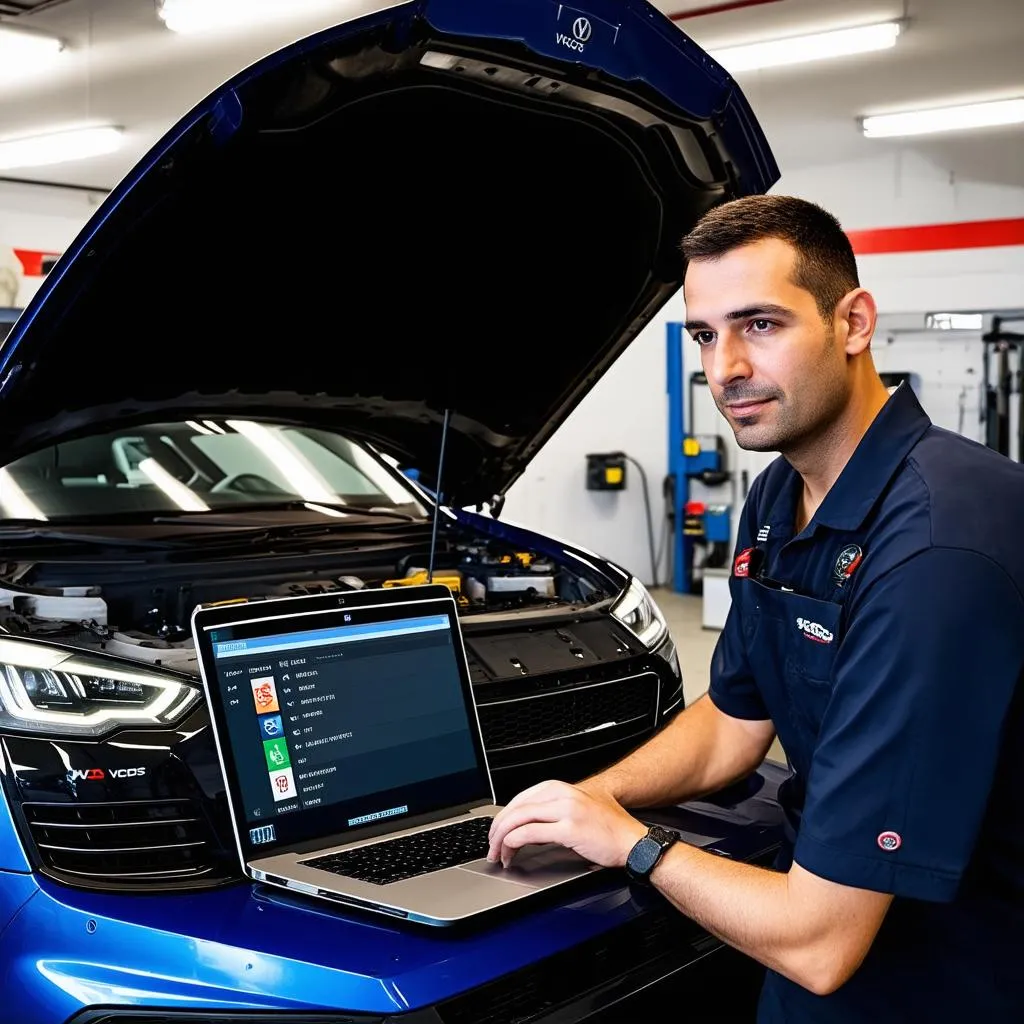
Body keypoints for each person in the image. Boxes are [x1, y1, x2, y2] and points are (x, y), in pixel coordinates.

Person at [486, 195, 1024, 1021]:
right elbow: (735, 719)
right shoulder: (782, 493)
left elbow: (820, 943)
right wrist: (589, 801)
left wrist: (630, 843)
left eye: (761, 325)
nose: (725, 365)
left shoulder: (936, 548)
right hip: (816, 935)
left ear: (853, 323)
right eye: (705, 334)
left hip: (941, 975)